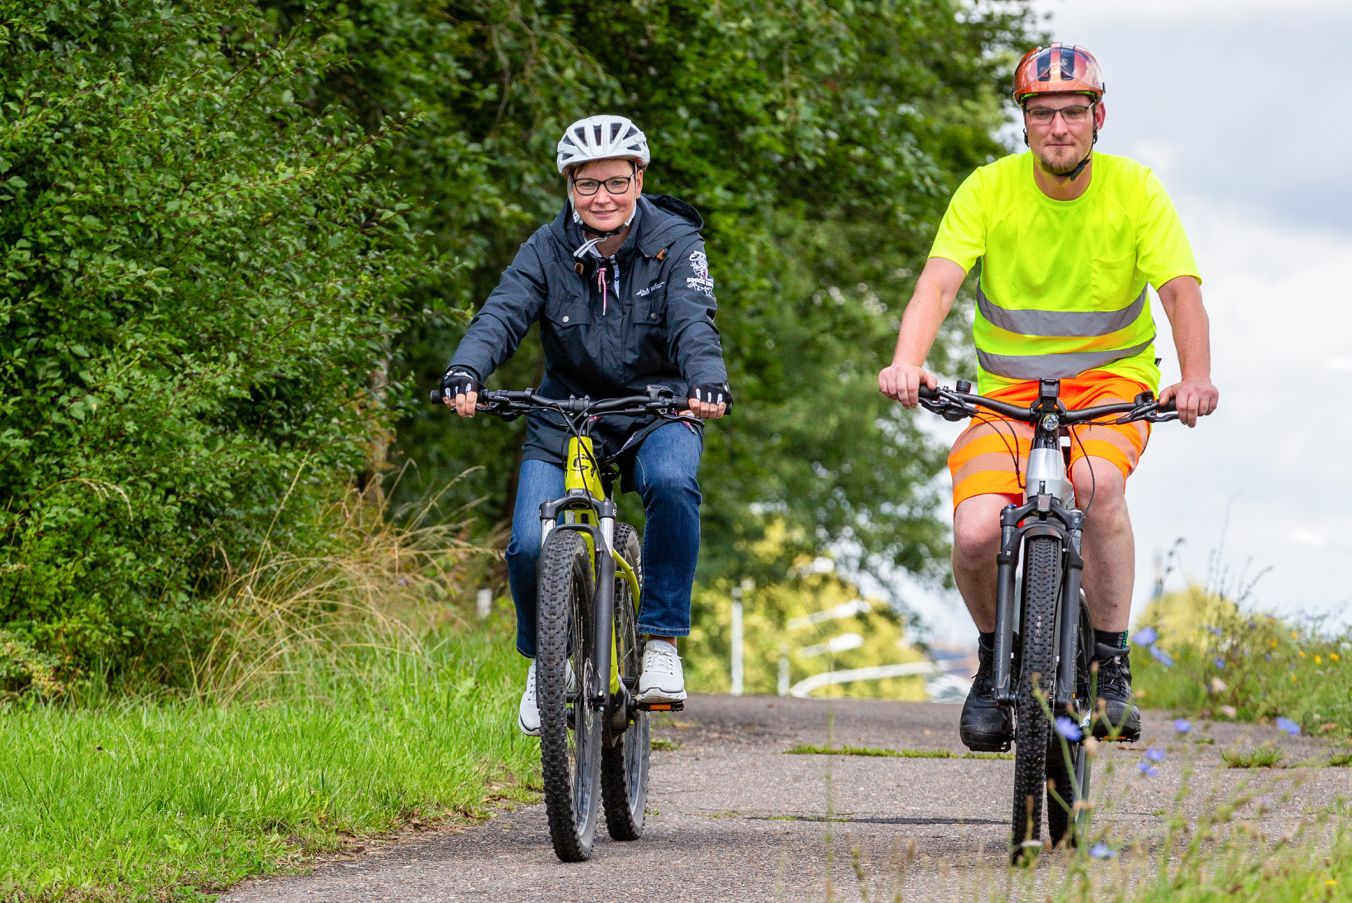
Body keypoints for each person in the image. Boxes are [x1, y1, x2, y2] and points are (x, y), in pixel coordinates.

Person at [877, 44, 1218, 748]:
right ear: (1024, 122)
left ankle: (1112, 660)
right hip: (1006, 396)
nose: (1057, 126)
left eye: (1071, 111)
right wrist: (907, 362)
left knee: (1095, 487)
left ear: (1098, 117)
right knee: (975, 530)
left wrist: (1194, 375)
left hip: (1109, 388)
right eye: (1041, 112)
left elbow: (1180, 290)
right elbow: (937, 283)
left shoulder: (1136, 189)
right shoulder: (988, 189)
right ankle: (992, 657)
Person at [440, 114, 732, 735]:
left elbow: (692, 320)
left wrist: (705, 379)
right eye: (586, 185)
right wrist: (466, 369)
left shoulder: (675, 241)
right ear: (569, 186)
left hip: (658, 408)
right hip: (567, 410)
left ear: (638, 178)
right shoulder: (546, 247)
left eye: (616, 183)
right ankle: (546, 666)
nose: (602, 197)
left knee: (674, 484)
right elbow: (502, 313)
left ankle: (659, 642)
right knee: (526, 543)